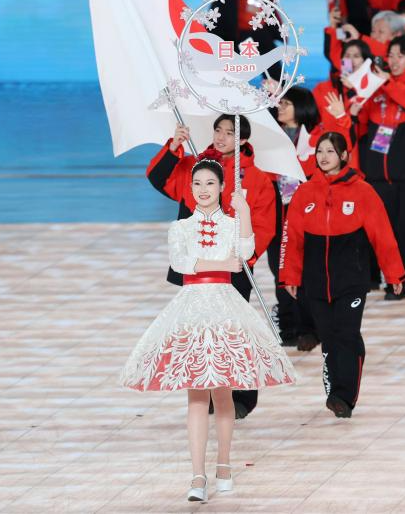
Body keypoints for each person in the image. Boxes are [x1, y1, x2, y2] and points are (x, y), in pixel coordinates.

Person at [120, 152, 296, 502]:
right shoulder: (180, 228)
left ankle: (224, 465)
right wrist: (221, 263)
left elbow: (245, 252)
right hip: (191, 309)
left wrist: (244, 212)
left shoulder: (231, 224)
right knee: (196, 394)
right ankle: (197, 474)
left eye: (210, 183)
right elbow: (181, 262)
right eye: (197, 183)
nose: (203, 189)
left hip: (225, 309)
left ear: (222, 187)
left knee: (223, 392)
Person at [145, 114, 278, 418]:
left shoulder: (256, 178)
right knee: (200, 332)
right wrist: (173, 147)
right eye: (218, 130)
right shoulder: (198, 168)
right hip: (199, 270)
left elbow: (264, 224)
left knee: (234, 333)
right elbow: (159, 179)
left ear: (243, 140)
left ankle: (242, 398)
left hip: (233, 268)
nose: (221, 136)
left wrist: (242, 259)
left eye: (229, 132)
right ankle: (206, 390)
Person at [281, 132, 405, 418]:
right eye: (320, 151)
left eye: (330, 151)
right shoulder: (304, 192)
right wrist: (290, 276)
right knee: (329, 337)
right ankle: (336, 389)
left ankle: (343, 396)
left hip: (351, 279)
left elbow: (383, 236)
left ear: (344, 156)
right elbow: (292, 238)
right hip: (316, 281)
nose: (324, 157)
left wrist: (394, 274)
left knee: (346, 334)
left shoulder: (363, 191)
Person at [356, 34, 405, 301]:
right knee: (385, 234)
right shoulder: (379, 85)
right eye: (390, 55)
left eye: (399, 56)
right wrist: (357, 100)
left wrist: (388, 83)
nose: (393, 61)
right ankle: (394, 284)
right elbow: (363, 120)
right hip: (379, 174)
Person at [270, 87, 347, 351]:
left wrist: (341, 119)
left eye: (287, 103)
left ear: (302, 106)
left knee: (308, 273)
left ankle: (310, 329)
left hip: (309, 215)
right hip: (277, 214)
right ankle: (288, 328)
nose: (281, 107)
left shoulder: (317, 137)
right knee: (281, 271)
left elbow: (340, 151)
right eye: (279, 103)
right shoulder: (271, 135)